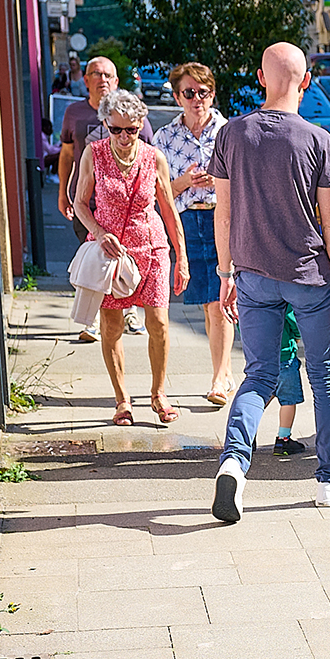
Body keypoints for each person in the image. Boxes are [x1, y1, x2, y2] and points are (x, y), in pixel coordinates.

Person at [210, 42, 330, 521]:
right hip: (310, 277)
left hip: (253, 274)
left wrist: (225, 270)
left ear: (260, 77)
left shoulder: (232, 134)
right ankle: (329, 481)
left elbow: (224, 210)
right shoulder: (320, 141)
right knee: (325, 376)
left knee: (259, 376)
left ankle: (234, 463)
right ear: (306, 82)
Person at [68, 89, 189, 426]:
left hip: (151, 248)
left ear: (140, 125)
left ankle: (158, 393)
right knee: (112, 326)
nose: (123, 137)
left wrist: (182, 257)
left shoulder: (154, 158)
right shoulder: (93, 154)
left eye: (131, 130)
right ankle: (122, 400)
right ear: (106, 124)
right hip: (111, 251)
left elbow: (168, 209)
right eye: (115, 129)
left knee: (160, 324)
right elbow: (80, 203)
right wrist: (99, 230)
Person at [154, 62, 234, 406]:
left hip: (223, 218)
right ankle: (226, 369)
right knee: (206, 304)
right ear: (177, 97)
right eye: (189, 93)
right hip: (187, 224)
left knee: (220, 303)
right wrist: (186, 180)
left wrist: (220, 183)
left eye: (203, 92)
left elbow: (244, 182)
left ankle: (219, 378)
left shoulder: (229, 131)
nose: (197, 99)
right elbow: (157, 194)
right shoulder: (165, 138)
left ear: (212, 94)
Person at [60, 56, 156, 343]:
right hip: (86, 202)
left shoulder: (133, 117)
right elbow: (66, 156)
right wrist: (63, 192)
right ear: (86, 79)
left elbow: (149, 155)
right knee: (95, 260)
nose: (102, 79)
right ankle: (92, 320)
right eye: (96, 74)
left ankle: (128, 309)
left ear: (116, 81)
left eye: (108, 75)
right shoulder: (74, 113)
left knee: (125, 258)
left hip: (123, 205)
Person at [271, 307, 308, 456]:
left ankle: (249, 432)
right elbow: (293, 320)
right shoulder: (282, 297)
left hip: (260, 357)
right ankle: (283, 439)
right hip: (285, 356)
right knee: (288, 401)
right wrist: (298, 335)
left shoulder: (250, 294)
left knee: (261, 395)